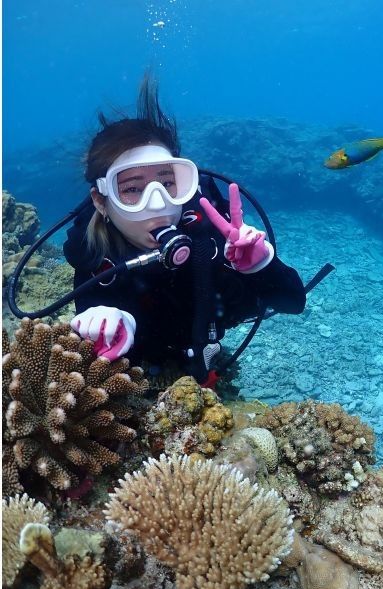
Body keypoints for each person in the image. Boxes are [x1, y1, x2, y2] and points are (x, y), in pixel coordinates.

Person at [63, 76, 306, 385]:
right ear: (100, 201)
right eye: (132, 189)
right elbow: (103, 357)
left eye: (167, 183)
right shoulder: (97, 250)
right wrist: (110, 324)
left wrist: (261, 264)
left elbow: (293, 303)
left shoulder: (208, 230)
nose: (158, 204)